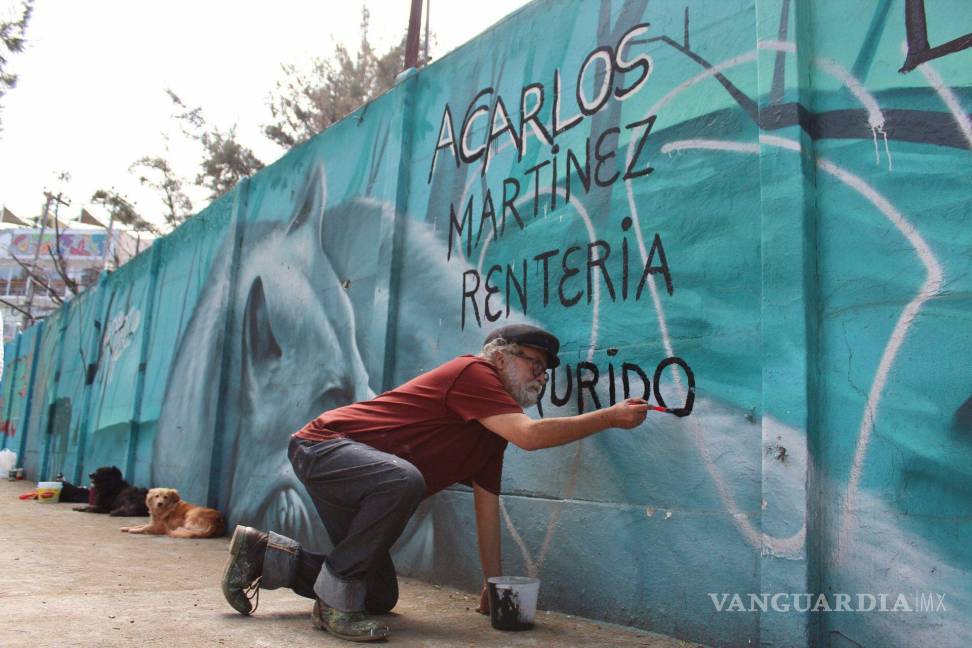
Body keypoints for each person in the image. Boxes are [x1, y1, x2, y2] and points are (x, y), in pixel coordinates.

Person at [221, 324, 649, 642]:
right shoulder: (474, 372)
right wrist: (608, 416)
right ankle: (332, 605)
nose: (540, 375)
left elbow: (487, 509)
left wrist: (492, 585)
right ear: (499, 356)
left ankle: (260, 553)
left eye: (545, 370)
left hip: (357, 476)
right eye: (532, 363)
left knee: (379, 593)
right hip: (325, 446)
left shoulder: (490, 436)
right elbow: (531, 436)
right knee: (405, 479)